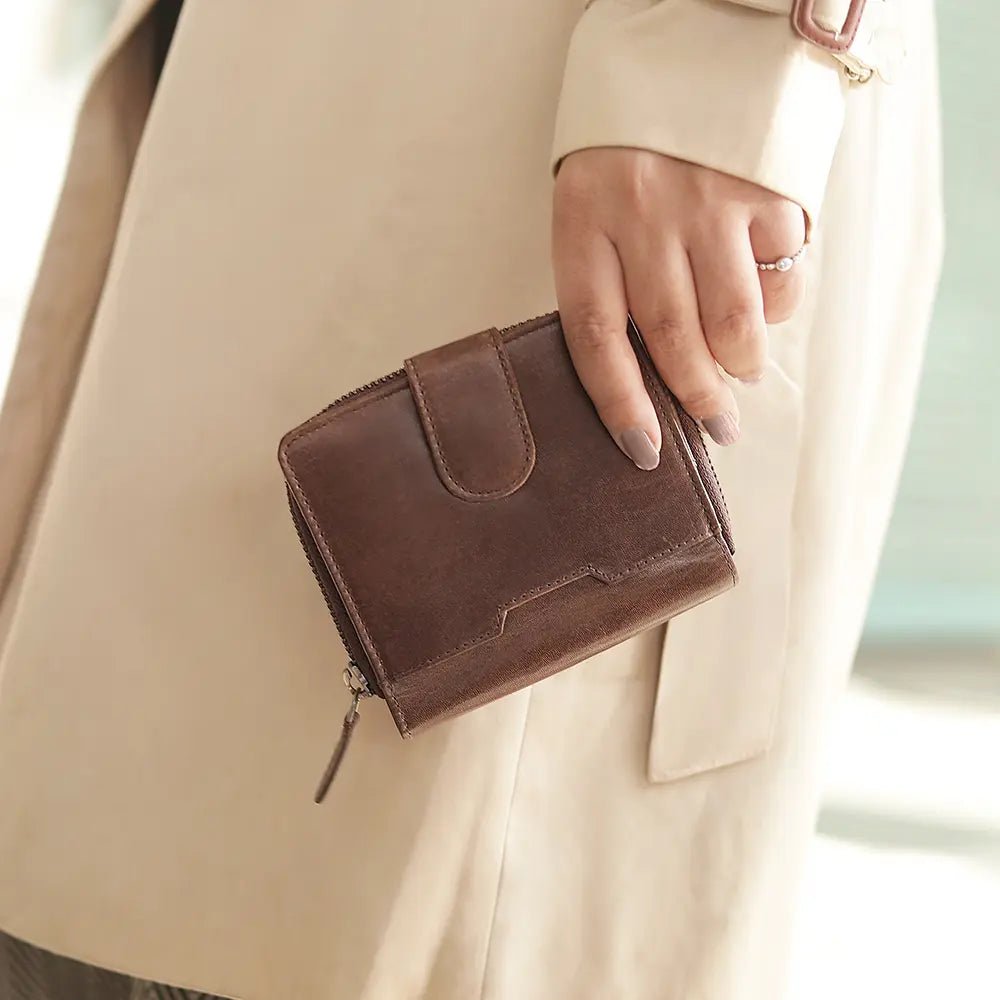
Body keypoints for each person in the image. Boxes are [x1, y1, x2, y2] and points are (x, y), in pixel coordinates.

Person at [0, 1, 942, 998]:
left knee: (358, 913)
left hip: (592, 117)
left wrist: (715, 46)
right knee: (124, 869)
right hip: (280, 100)